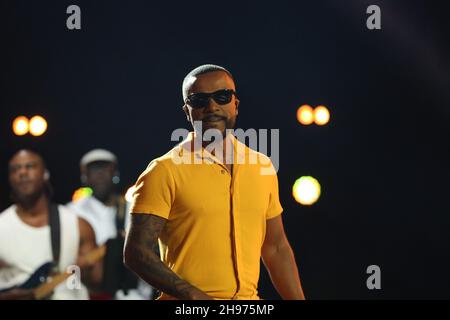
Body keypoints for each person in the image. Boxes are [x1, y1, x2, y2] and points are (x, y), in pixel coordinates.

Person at [124, 64, 305, 300]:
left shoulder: (262, 166)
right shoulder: (163, 171)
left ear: (236, 104)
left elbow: (276, 247)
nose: (212, 107)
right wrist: (195, 297)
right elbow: (136, 253)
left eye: (222, 96)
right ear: (187, 111)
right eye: (199, 100)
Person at [0, 150, 101, 300]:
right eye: (15, 169)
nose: (22, 172)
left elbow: (98, 284)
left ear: (45, 174)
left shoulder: (78, 225)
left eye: (30, 166)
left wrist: (87, 270)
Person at [68, 149, 152, 300]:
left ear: (115, 173)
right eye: (94, 169)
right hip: (88, 293)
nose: (100, 173)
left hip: (131, 293)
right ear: (84, 175)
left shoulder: (134, 208)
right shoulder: (72, 212)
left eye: (105, 168)